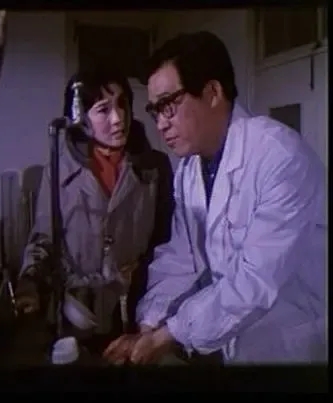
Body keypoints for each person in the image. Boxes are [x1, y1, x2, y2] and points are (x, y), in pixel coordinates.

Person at [103, 31, 326, 365]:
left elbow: (254, 280)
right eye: (154, 111)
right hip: (238, 344)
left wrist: (168, 335)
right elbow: (181, 257)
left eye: (168, 106)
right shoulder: (190, 170)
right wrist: (149, 325)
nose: (160, 124)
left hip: (293, 343)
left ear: (212, 93)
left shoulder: (278, 156)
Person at [15, 68, 174, 352]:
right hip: (76, 314)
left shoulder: (154, 168)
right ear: (80, 118)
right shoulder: (58, 172)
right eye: (103, 109)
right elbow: (44, 240)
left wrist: (141, 275)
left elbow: (167, 243)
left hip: (138, 313)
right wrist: (30, 281)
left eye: (122, 104)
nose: (119, 118)